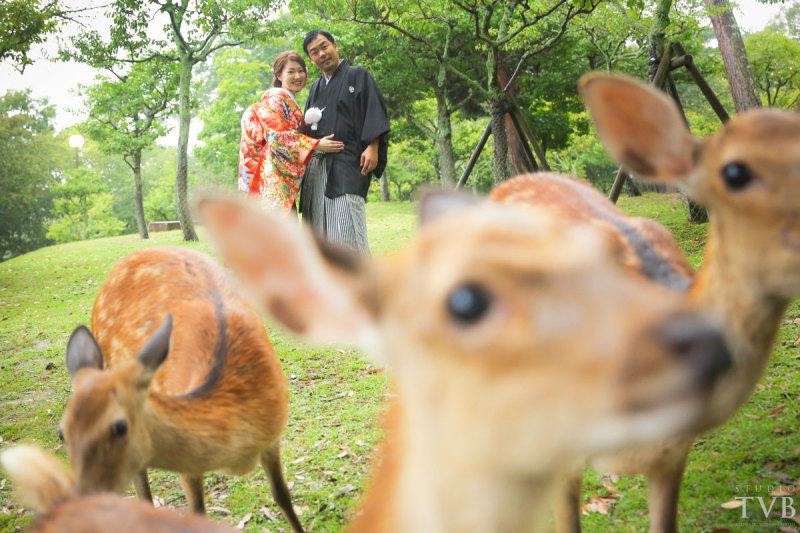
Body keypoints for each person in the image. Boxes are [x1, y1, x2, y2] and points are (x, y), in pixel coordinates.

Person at [299, 30, 390, 253]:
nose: (322, 54)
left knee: (347, 233)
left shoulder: (358, 75)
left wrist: (373, 146)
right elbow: (306, 130)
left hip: (348, 163)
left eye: (324, 46)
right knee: (318, 236)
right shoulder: (316, 87)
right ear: (311, 59)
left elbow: (374, 110)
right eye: (314, 52)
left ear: (335, 46)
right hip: (316, 167)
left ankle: (358, 275)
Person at [239, 51, 344, 212]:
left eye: (301, 71)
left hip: (277, 180)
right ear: (279, 75)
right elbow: (276, 136)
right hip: (271, 180)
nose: (297, 76)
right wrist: (316, 144)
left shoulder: (286, 100)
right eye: (291, 72)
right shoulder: (276, 99)